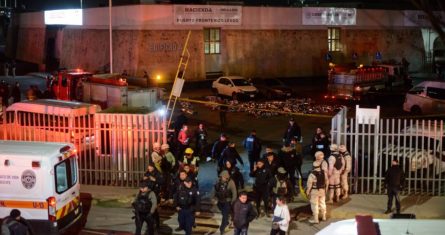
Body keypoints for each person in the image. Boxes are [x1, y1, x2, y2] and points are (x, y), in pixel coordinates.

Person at [213, 170, 237, 234]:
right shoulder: (218, 181)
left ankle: (222, 228)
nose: (224, 178)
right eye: (223, 177)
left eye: (226, 177)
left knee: (225, 215)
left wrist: (232, 201)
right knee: (224, 213)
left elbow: (234, 193)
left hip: (227, 201)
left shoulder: (231, 182)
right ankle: (226, 222)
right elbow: (214, 190)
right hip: (220, 201)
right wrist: (213, 198)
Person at [306, 160, 328, 224]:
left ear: (313, 167)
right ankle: (324, 217)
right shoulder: (324, 172)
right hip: (322, 190)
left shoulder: (312, 174)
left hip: (314, 191)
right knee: (322, 203)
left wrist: (307, 192)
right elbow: (327, 181)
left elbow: (309, 184)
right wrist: (326, 189)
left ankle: (316, 219)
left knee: (314, 204)